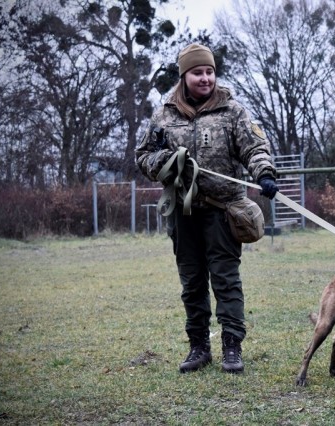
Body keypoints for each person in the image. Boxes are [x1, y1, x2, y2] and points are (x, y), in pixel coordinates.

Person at [135, 43, 278, 374]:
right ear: (184, 76)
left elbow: (255, 147)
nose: (205, 78)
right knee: (192, 282)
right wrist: (166, 162)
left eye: (209, 72)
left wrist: (265, 173)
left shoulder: (232, 111)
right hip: (182, 215)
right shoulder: (163, 115)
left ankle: (232, 347)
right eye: (198, 72)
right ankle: (198, 346)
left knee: (226, 280)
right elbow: (143, 156)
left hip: (223, 211)